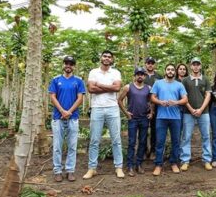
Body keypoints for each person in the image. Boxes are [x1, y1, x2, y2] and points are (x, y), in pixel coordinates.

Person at [83, 50, 124, 179]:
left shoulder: (116, 72)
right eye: (104, 56)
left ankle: (119, 167)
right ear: (101, 58)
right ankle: (92, 168)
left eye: (109, 57)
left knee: (116, 139)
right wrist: (108, 87)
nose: (106, 58)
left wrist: (99, 85)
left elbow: (117, 88)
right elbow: (90, 89)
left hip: (113, 108)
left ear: (112, 60)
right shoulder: (93, 72)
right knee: (94, 140)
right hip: (97, 108)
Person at [48, 56, 86, 182]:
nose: (68, 65)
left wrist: (69, 111)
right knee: (57, 146)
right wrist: (62, 111)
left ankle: (70, 170)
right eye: (66, 63)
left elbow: (80, 98)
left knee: (72, 145)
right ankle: (57, 171)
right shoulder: (56, 80)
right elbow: (52, 97)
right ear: (63, 65)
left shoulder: (79, 81)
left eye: (71, 63)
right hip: (58, 118)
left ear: (74, 66)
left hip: (73, 118)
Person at [150, 64, 188, 176]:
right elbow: (152, 97)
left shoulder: (179, 85)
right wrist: (160, 102)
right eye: (168, 69)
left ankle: (174, 163)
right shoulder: (158, 83)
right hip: (161, 117)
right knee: (160, 141)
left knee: (175, 141)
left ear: (174, 72)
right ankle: (158, 164)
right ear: (165, 71)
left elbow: (185, 99)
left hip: (175, 117)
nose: (170, 71)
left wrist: (176, 102)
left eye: (172, 70)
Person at [118, 67, 153, 177]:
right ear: (135, 76)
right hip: (132, 119)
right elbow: (119, 100)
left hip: (144, 118)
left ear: (144, 76)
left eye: (142, 74)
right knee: (132, 142)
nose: (140, 76)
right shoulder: (128, 87)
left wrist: (151, 112)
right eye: (138, 74)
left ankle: (139, 164)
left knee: (142, 142)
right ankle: (130, 166)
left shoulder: (148, 88)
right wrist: (126, 113)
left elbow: (152, 101)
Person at [180, 57, 213, 171]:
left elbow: (208, 95)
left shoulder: (205, 79)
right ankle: (185, 160)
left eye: (197, 64)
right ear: (191, 66)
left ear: (200, 66)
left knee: (206, 136)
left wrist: (200, 109)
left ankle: (207, 160)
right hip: (188, 113)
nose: (196, 66)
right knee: (186, 136)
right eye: (194, 64)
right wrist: (191, 109)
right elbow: (183, 96)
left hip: (204, 113)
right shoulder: (185, 80)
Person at [144, 57, 163, 160]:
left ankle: (153, 151)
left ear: (154, 65)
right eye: (148, 63)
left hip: (156, 106)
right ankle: (144, 150)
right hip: (143, 105)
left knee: (155, 130)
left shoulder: (159, 76)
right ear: (145, 64)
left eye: (152, 63)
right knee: (143, 129)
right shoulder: (142, 75)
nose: (150, 65)